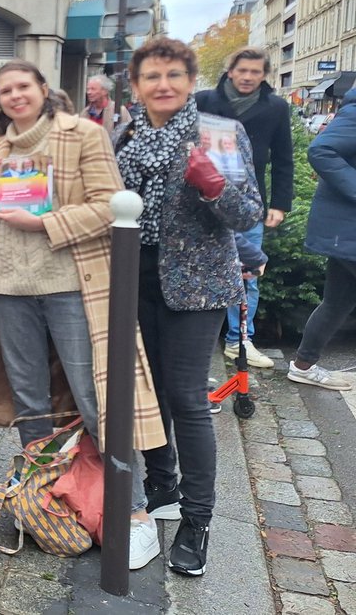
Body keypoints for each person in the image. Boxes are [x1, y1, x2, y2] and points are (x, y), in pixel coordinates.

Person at [0, 59, 167, 570]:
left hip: (69, 284)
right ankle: (42, 493)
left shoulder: (82, 135)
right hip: (7, 287)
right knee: (30, 399)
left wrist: (44, 225)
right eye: (6, 90)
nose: (15, 96)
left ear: (42, 89)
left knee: (96, 396)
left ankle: (134, 509)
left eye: (23, 86)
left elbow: (113, 205)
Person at [114, 38, 262, 577]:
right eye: (152, 76)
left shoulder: (219, 134)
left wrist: (213, 186)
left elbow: (247, 213)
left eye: (174, 74)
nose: (163, 85)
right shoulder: (126, 136)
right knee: (146, 392)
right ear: (136, 85)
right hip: (134, 280)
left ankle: (197, 520)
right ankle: (162, 485)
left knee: (186, 396)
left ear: (189, 79)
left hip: (195, 285)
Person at [195, 46, 294, 369]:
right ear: (231, 70)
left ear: (264, 75)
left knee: (248, 273)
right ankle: (199, 340)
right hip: (202, 199)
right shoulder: (205, 101)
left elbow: (283, 158)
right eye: (243, 70)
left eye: (255, 72)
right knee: (198, 269)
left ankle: (240, 339)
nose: (248, 77)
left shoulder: (276, 108)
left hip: (249, 203)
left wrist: (279, 204)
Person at [287, 86, 356, 391]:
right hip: (348, 227)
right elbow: (321, 150)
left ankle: (303, 365)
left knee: (337, 302)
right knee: (336, 302)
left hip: (346, 231)